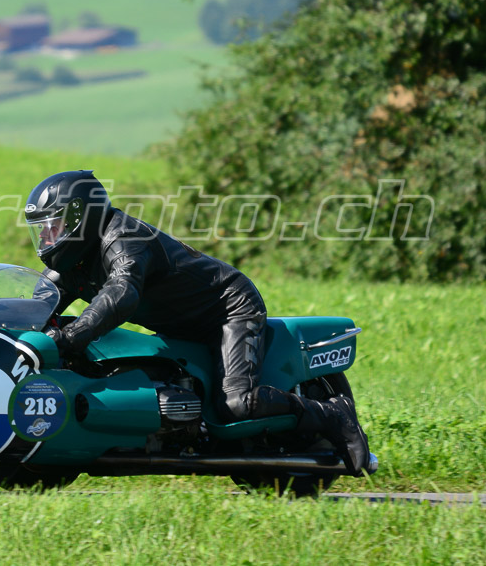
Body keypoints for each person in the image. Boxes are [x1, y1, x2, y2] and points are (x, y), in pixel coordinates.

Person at [24, 170, 370, 473]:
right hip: (178, 324)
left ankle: (332, 414)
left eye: (54, 226)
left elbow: (121, 294)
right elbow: (37, 306)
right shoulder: (74, 261)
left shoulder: (124, 238)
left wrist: (71, 336)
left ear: (82, 218)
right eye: (42, 229)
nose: (46, 237)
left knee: (236, 403)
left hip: (228, 309)